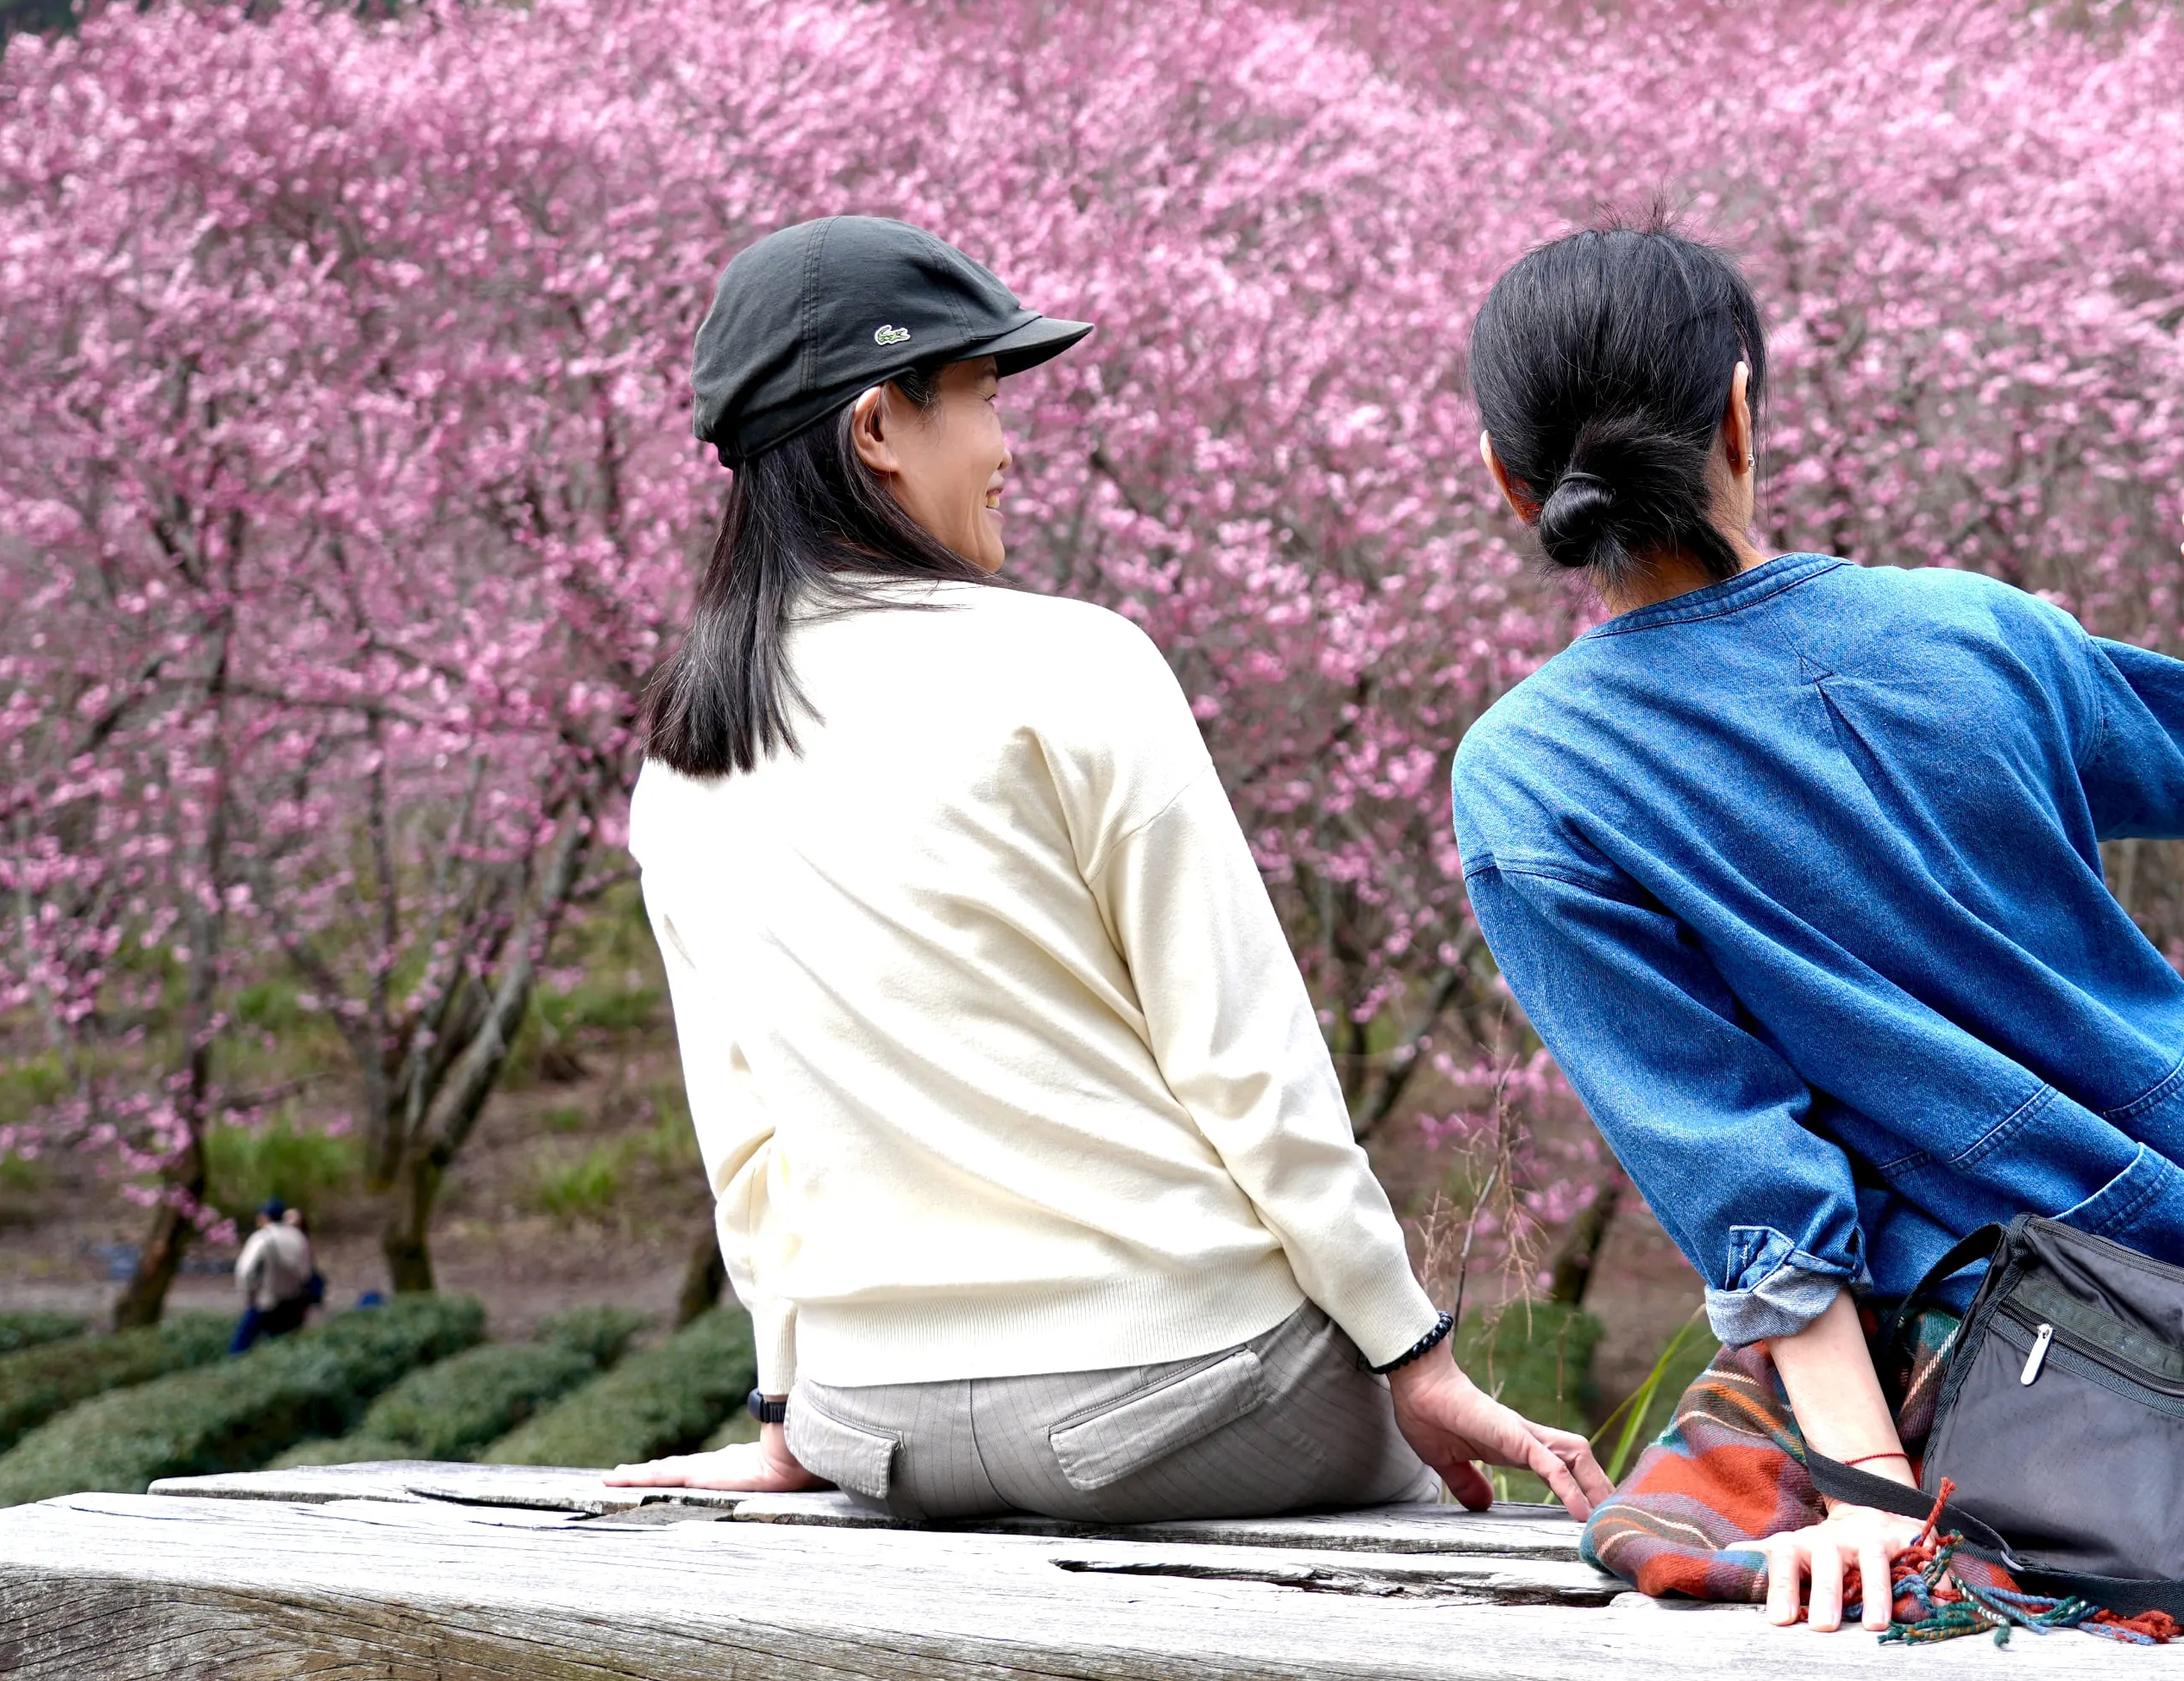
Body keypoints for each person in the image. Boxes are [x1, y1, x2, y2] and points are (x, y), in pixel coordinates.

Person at [1451, 226, 2184, 1626]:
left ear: (1509, 480)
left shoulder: (1534, 777)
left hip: (2021, 1363)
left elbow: (1743, 1169)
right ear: (1739, 414)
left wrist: (1865, 1486)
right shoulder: (1977, 630)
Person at [608, 216, 1607, 1528]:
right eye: (980, 397)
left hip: (881, 1426)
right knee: (1423, 1512)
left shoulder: (686, 755)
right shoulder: (1072, 666)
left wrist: (790, 1417)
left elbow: (749, 1144)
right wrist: (1411, 1354)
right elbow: (1244, 1059)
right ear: (878, 428)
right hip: (1181, 1393)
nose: (1005, 447)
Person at [229, 1200, 318, 1354]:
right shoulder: (298, 1237)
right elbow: (306, 1272)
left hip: (266, 1301)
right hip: (293, 1302)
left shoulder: (262, 1238)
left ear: (264, 1217)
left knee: (240, 1346)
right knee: (284, 1347)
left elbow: (245, 1271)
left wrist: (248, 1296)